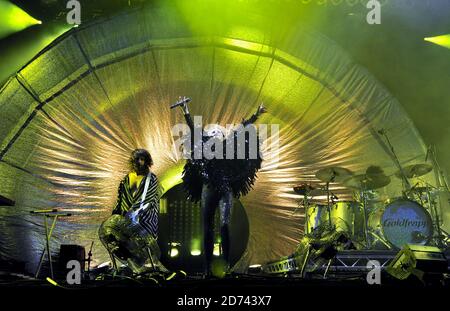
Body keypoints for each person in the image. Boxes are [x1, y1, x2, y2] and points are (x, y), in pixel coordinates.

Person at [175, 98, 266, 276]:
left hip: (225, 190)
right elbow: (194, 130)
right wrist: (185, 110)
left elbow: (241, 129)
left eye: (218, 132)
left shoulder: (228, 145)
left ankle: (226, 266)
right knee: (207, 227)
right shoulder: (205, 145)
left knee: (224, 226)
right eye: (213, 132)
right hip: (208, 188)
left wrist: (256, 115)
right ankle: (207, 268)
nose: (216, 133)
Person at [112, 148, 159, 237]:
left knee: (143, 248)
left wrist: (132, 212)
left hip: (145, 221)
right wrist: (116, 213)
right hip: (125, 222)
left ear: (147, 162)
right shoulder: (126, 178)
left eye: (142, 159)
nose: (139, 162)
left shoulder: (152, 179)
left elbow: (147, 199)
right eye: (136, 159)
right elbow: (121, 197)